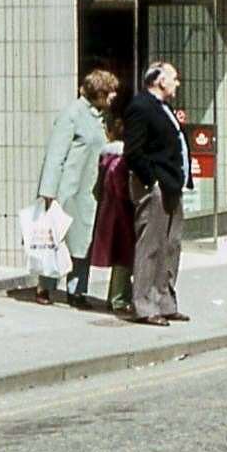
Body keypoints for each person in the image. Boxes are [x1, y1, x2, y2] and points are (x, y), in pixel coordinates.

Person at [34, 69, 118, 308]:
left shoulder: (100, 117)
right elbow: (55, 154)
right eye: (110, 92)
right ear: (99, 93)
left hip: (89, 190)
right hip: (69, 189)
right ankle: (45, 286)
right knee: (58, 236)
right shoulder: (72, 114)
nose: (113, 97)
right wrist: (48, 191)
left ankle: (77, 291)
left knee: (84, 239)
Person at [122, 61, 188, 327]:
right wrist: (152, 180)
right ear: (160, 81)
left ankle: (165, 301)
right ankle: (144, 305)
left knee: (171, 245)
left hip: (172, 184)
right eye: (174, 78)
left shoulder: (164, 108)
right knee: (151, 246)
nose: (177, 83)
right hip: (156, 185)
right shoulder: (140, 107)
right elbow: (133, 152)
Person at [89, 116, 135, 314]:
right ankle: (118, 298)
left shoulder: (105, 158)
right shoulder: (120, 161)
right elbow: (122, 189)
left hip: (109, 212)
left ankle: (117, 296)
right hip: (121, 215)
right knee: (123, 258)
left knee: (121, 257)